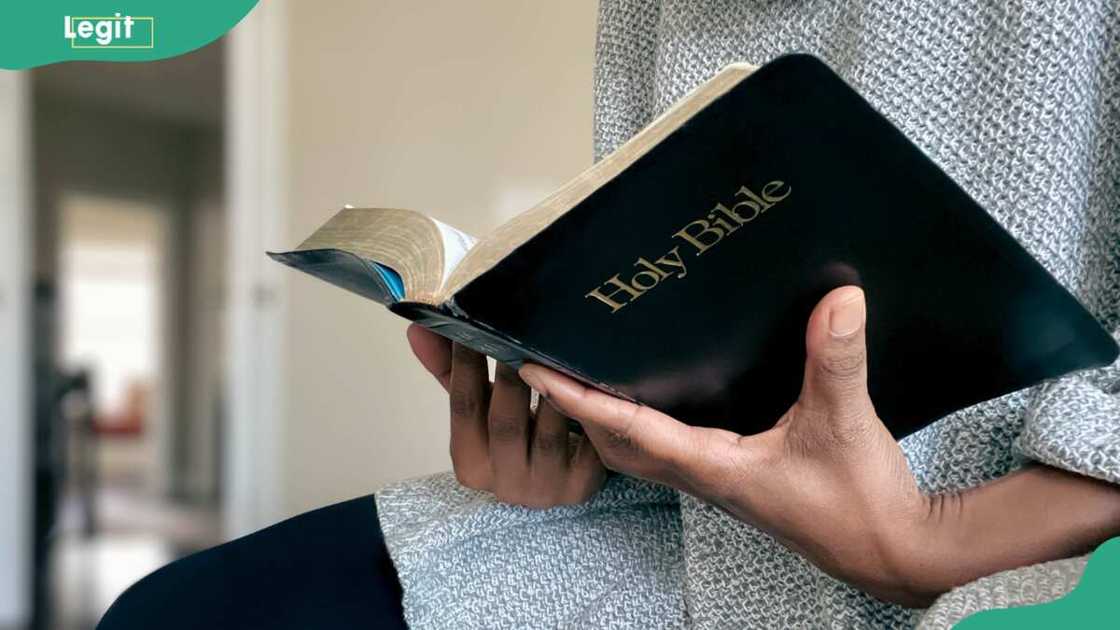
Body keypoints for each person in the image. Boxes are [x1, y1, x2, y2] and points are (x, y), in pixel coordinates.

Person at [101, 1, 1120, 628]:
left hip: (1028, 546)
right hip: (701, 528)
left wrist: (931, 540)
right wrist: (603, 419)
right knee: (175, 613)